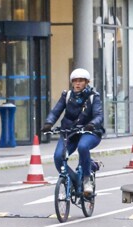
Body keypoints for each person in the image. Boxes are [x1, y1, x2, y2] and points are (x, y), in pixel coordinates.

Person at [43, 68, 104, 196]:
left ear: (87, 82)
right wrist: (49, 123)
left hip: (89, 132)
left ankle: (86, 180)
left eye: (81, 81)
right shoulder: (67, 96)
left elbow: (98, 115)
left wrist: (92, 124)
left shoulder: (93, 97)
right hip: (69, 132)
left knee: (83, 147)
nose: (77, 83)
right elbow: (56, 111)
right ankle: (75, 180)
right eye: (75, 81)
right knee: (58, 157)